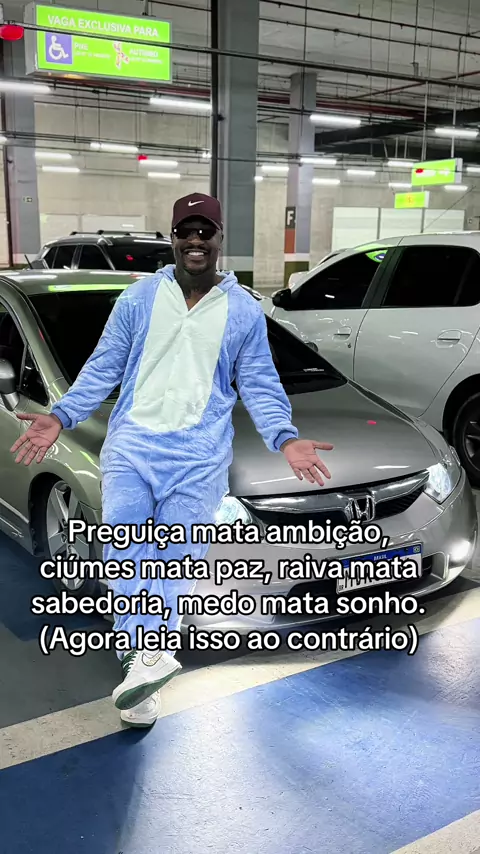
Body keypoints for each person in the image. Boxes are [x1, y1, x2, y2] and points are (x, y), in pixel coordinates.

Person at [10, 192, 333, 728]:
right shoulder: (139, 299)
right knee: (127, 556)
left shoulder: (242, 311)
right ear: (174, 237)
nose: (195, 241)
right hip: (132, 448)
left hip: (198, 457)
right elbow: (104, 365)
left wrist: (284, 437)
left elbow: (259, 380)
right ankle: (148, 662)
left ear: (220, 237)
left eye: (205, 231)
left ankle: (142, 670)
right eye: (186, 231)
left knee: (173, 561)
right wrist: (62, 415)